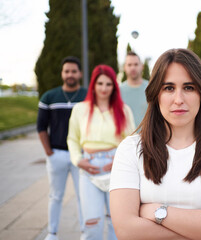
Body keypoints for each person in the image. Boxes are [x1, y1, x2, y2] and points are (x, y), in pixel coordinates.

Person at [109, 48, 201, 240]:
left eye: (189, 87)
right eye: (169, 88)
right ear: (156, 95)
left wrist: (157, 212)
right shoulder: (130, 150)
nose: (179, 99)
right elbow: (126, 231)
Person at [67, 64, 135, 240]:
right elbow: (73, 139)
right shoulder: (80, 109)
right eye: (100, 83)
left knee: (118, 222)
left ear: (114, 86)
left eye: (108, 84)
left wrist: (119, 163)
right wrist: (77, 159)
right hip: (89, 169)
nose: (104, 88)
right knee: (91, 222)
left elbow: (131, 142)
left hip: (116, 168)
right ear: (93, 85)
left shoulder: (124, 110)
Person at [37, 56, 87, 240]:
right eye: (67, 71)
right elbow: (41, 126)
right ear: (62, 73)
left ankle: (85, 232)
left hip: (80, 155)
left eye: (74, 71)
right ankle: (52, 233)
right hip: (56, 153)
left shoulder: (88, 96)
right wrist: (48, 152)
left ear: (79, 73)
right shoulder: (49, 97)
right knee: (55, 196)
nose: (70, 74)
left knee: (83, 196)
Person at [120, 51, 149, 127]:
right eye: (129, 65)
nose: (133, 68)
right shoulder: (118, 91)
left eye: (136, 64)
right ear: (124, 67)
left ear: (142, 66)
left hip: (148, 136)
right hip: (125, 137)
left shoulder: (151, 88)